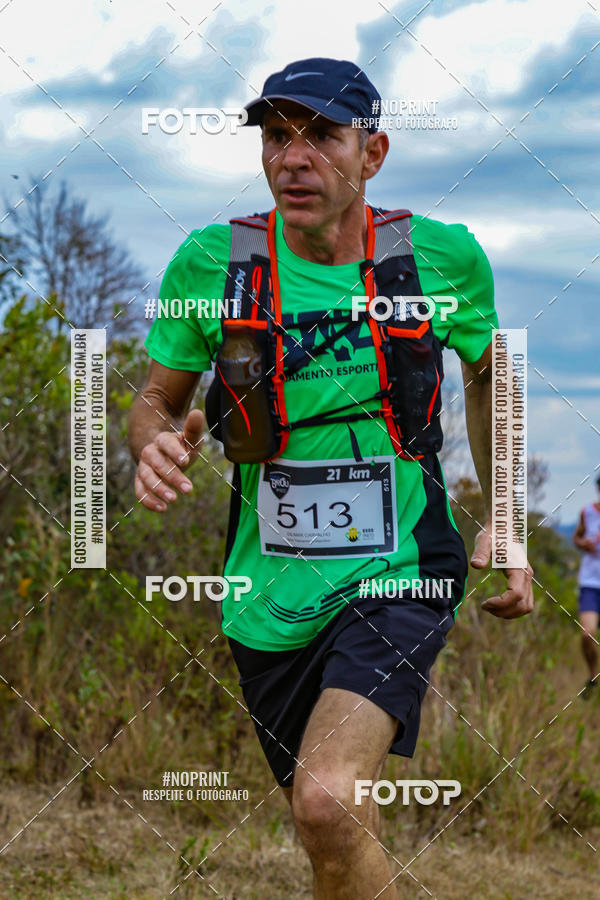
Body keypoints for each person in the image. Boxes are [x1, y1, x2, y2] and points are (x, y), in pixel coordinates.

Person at [128, 58, 534, 899]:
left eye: (322, 136)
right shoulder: (215, 263)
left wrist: (509, 517)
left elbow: (495, 375)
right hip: (268, 588)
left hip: (403, 565)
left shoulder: (438, 259)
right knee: (333, 826)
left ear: (373, 152)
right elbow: (155, 402)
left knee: (323, 801)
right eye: (278, 136)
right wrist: (154, 443)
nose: (294, 157)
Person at [573, 474, 600, 699]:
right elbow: (576, 538)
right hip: (590, 584)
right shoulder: (587, 512)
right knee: (587, 634)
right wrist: (584, 543)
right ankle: (593, 677)